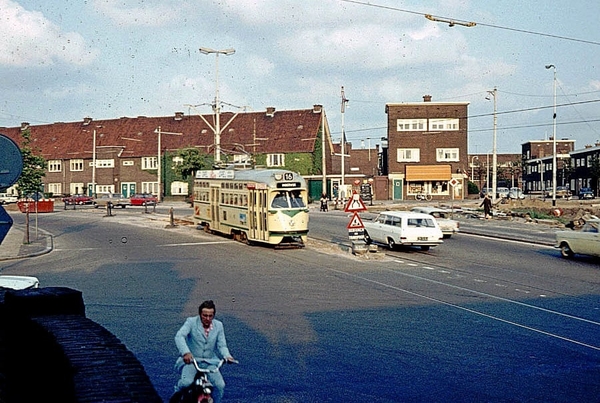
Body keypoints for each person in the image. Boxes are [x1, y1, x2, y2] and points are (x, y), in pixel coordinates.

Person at [173, 300, 235, 403]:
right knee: (186, 382)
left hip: (210, 362)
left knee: (220, 385)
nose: (207, 319)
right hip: (192, 361)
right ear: (200, 314)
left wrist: (227, 356)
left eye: (210, 316)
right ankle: (177, 393)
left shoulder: (219, 325)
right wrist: (185, 353)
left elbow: (222, 345)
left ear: (214, 315)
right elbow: (179, 336)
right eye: (205, 315)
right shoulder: (191, 322)